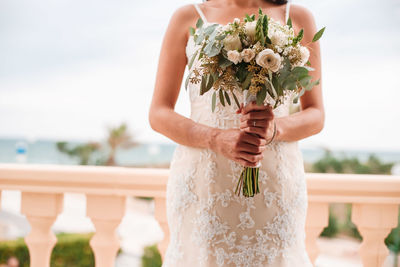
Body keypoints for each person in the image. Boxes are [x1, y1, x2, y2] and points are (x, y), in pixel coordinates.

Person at [149, 0, 324, 266]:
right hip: (205, 188)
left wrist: (275, 128)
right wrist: (215, 138)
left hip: (275, 187)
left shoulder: (297, 18)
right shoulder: (188, 17)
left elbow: (316, 114)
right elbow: (159, 113)